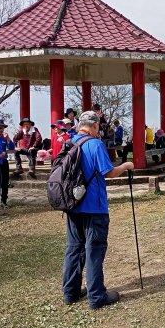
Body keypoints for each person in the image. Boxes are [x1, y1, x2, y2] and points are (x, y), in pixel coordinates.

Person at [62, 111, 134, 309]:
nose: (99, 130)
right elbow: (109, 172)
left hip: (72, 205)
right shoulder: (95, 144)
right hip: (94, 206)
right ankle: (97, 295)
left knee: (74, 248)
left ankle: (70, 292)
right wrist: (126, 165)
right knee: (94, 250)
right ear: (93, 126)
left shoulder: (69, 144)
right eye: (98, 127)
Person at [0, 119, 15, 208]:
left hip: (4, 161)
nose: (1, 129)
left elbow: (11, 148)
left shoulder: (4, 137)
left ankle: (4, 201)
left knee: (5, 182)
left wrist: (8, 139)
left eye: (2, 127)